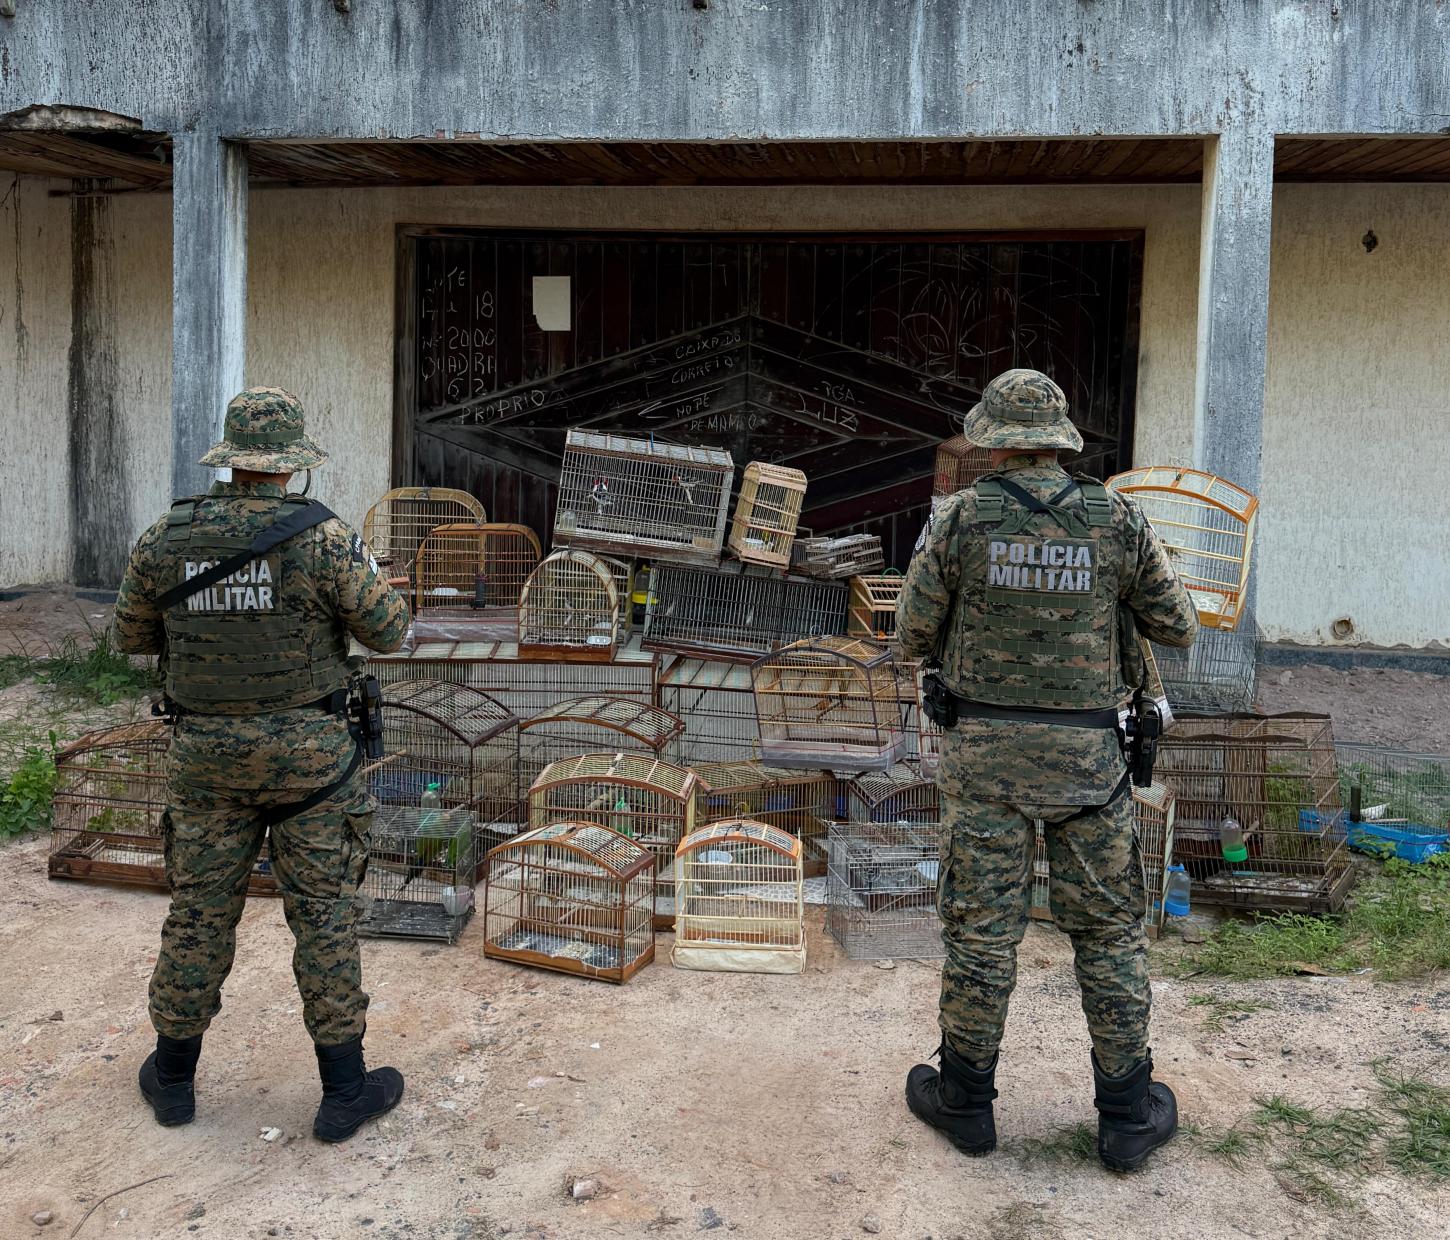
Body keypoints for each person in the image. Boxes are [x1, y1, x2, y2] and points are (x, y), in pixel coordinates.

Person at [896, 368, 1199, 1173]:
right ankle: (1127, 1116)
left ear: (992, 439)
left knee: (981, 935)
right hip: (1090, 766)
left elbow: (911, 635)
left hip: (984, 765)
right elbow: (1177, 625)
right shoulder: (1117, 517)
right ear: (1059, 440)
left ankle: (965, 1105)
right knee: (1108, 934)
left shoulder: (958, 518)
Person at [111, 387, 412, 1143]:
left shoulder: (165, 536)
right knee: (324, 918)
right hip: (312, 766)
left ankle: (172, 1080)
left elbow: (130, 637)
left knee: (198, 915)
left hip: (206, 763)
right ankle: (344, 1092)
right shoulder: (325, 538)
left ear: (232, 459)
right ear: (291, 465)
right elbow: (389, 632)